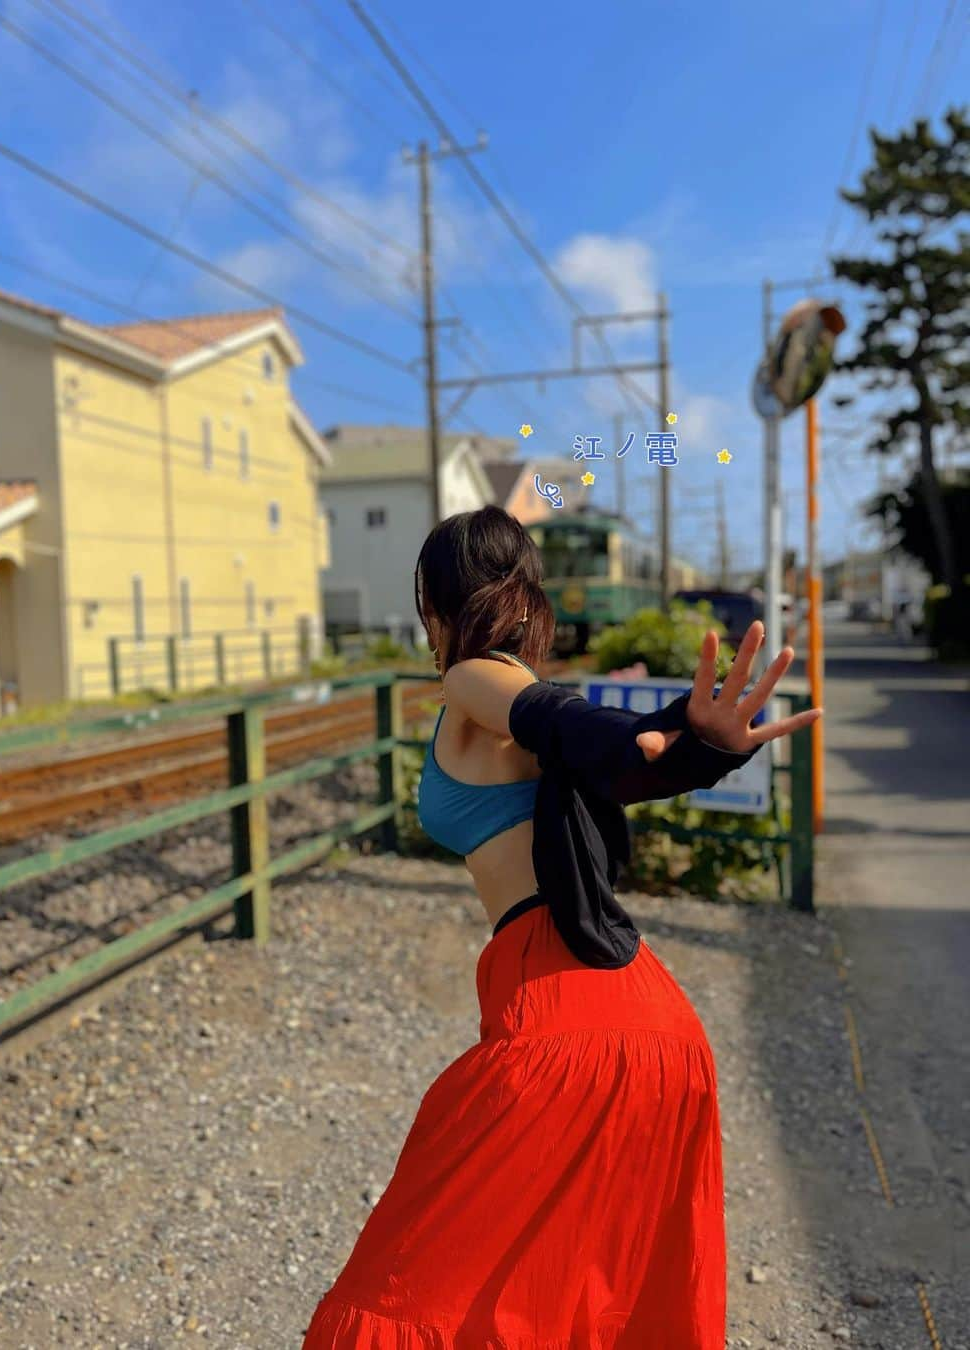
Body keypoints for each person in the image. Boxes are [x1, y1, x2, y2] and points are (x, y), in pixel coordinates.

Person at [302, 506, 823, 1349]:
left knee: (407, 1295)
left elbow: (559, 718)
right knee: (582, 1303)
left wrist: (669, 739)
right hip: (655, 1031)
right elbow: (617, 761)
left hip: (564, 1031)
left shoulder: (474, 681)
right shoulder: (517, 709)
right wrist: (702, 752)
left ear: (431, 600)